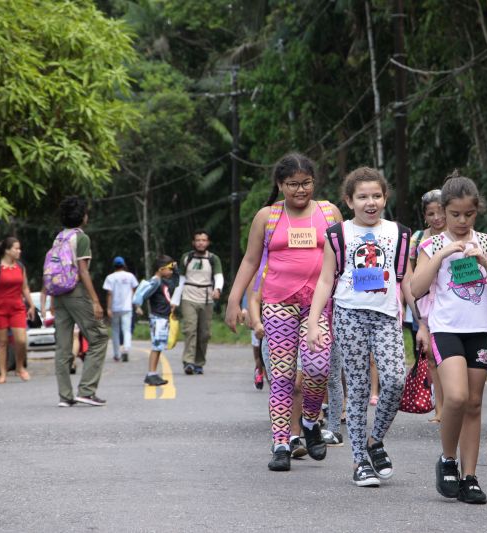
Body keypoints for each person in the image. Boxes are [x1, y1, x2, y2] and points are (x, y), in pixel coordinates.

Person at [225, 152, 341, 472]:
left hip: (318, 303)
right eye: (292, 184)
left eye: (306, 183)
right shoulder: (268, 216)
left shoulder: (330, 213)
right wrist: (234, 301)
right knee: (283, 376)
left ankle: (309, 421)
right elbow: (250, 261)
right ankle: (279, 443)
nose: (300, 190)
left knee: (318, 368)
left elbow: (345, 259)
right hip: (278, 304)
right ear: (280, 184)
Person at [307, 166, 415, 488]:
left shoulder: (399, 233)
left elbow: (405, 280)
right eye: (363, 197)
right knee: (357, 388)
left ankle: (375, 440)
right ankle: (359, 461)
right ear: (349, 201)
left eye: (377, 196)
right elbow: (326, 279)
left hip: (387, 317)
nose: (371, 203)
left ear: (385, 198)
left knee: (395, 381)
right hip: (349, 315)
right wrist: (314, 322)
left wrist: (420, 321)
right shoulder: (338, 235)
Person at [411, 173, 487, 504]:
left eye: (468, 214)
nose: (461, 221)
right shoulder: (432, 244)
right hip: (446, 328)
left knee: (474, 403)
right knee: (455, 397)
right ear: (444, 212)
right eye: (455, 214)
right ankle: (447, 460)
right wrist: (441, 255)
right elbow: (414, 288)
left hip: (479, 330)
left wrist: (483, 259)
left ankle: (470, 477)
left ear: (476, 212)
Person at [50, 196, 109, 407]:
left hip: (58, 294)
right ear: (83, 216)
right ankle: (87, 390)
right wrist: (95, 300)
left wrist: (50, 298)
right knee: (100, 337)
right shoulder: (81, 238)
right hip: (76, 292)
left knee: (63, 346)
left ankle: (65, 396)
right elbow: (83, 270)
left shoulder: (59, 237)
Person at [411, 189, 447, 423]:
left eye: (441, 211)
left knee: (450, 357)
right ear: (425, 216)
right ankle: (440, 409)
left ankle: (455, 405)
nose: (437, 218)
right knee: (432, 357)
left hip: (450, 300)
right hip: (425, 304)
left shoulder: (459, 237)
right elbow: (411, 275)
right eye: (430, 213)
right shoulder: (417, 239)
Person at [0, 236, 35, 383]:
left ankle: (19, 367)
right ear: (7, 251)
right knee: (2, 342)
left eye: (19, 248)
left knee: (21, 340)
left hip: (17, 308)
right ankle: (2, 374)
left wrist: (31, 305)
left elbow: (25, 287)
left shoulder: (20, 267)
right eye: (16, 248)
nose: (19, 251)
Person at [179, 230, 223, 375]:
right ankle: (189, 361)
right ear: (193, 243)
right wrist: (174, 301)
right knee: (190, 329)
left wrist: (217, 289)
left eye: (203, 240)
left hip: (206, 298)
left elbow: (218, 276)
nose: (200, 243)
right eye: (198, 240)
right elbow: (181, 280)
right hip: (188, 296)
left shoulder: (213, 259)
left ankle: (199, 362)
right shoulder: (186, 258)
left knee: (204, 333)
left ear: (208, 242)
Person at [133, 255, 178, 386]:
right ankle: (151, 373)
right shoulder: (156, 281)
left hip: (163, 317)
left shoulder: (164, 281)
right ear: (161, 269)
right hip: (158, 318)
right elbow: (142, 293)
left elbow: (175, 282)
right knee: (156, 346)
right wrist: (138, 306)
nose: (171, 271)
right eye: (169, 269)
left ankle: (153, 373)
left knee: (159, 347)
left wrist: (176, 269)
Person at [103, 256, 138, 362]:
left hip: (115, 307)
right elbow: (134, 290)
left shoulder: (110, 277)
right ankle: (126, 349)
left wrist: (108, 308)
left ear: (114, 266)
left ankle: (117, 354)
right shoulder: (130, 276)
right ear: (124, 265)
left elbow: (109, 293)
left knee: (115, 330)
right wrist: (133, 303)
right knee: (126, 330)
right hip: (127, 307)